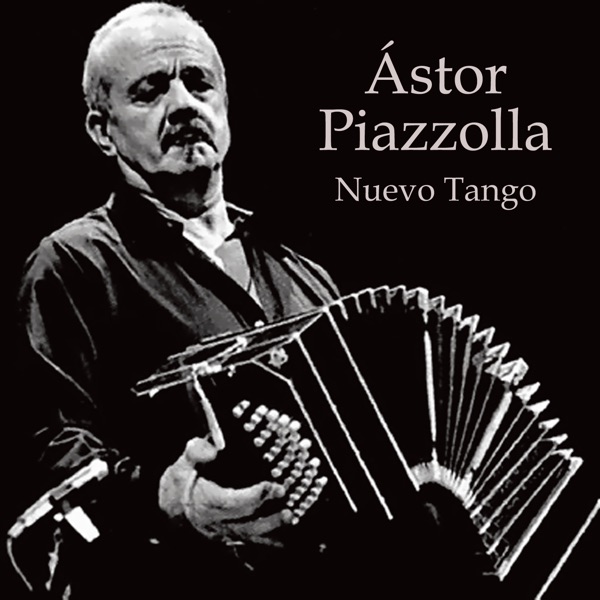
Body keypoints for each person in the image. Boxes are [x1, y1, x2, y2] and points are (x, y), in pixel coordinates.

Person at [12, 3, 342, 597]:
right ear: (102, 130)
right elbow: (51, 451)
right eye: (150, 91)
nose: (184, 104)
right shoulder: (75, 264)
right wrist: (168, 500)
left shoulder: (306, 278)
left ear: (225, 106)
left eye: (199, 83)